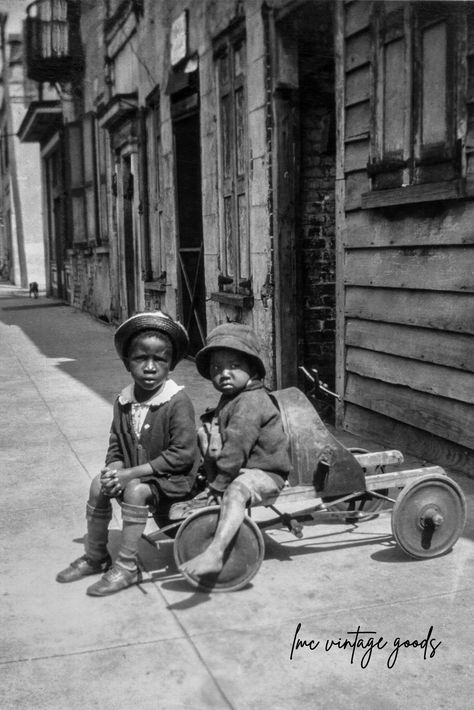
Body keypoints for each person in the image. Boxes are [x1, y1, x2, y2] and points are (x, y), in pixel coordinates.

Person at [57, 311, 198, 596]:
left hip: (174, 480)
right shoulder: (124, 401)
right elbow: (116, 444)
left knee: (135, 491)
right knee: (99, 483)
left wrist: (130, 474)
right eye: (140, 359)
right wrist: (114, 470)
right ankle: (95, 556)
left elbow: (181, 455)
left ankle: (127, 566)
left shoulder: (176, 401)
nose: (149, 367)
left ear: (170, 365)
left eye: (159, 360)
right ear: (126, 363)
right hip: (137, 474)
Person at [179, 323, 291, 580]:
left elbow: (236, 448)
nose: (224, 374)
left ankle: (216, 552)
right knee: (204, 432)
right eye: (217, 368)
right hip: (244, 466)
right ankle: (211, 488)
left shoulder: (251, 401)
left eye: (233, 366)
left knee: (235, 491)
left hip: (266, 471)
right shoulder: (233, 396)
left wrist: (220, 483)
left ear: (252, 369)